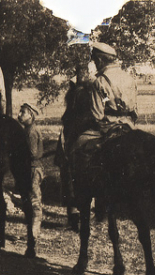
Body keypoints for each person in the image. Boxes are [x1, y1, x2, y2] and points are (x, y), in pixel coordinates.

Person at [71, 42, 138, 192]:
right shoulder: (129, 78)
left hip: (109, 126)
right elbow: (135, 109)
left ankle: (83, 189)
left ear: (100, 60)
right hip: (129, 125)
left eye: (94, 61)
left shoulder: (99, 81)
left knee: (80, 144)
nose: (95, 64)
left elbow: (97, 115)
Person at [60, 63, 95, 231]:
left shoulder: (80, 93)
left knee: (69, 166)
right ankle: (75, 213)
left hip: (79, 131)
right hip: (82, 129)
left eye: (84, 73)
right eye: (80, 73)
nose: (82, 75)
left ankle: (75, 213)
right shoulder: (79, 92)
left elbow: (70, 116)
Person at [18, 103, 44, 258]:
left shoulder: (31, 132)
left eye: (23, 112)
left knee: (34, 205)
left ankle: (32, 241)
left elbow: (33, 153)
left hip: (32, 170)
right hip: (31, 169)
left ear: (31, 115)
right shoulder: (28, 130)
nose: (20, 114)